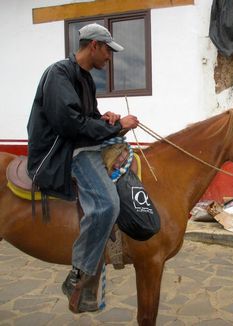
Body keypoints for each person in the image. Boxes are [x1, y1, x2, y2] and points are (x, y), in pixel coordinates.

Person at [27, 23, 139, 313]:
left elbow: (88, 118)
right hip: (64, 151)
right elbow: (71, 125)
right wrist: (110, 125)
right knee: (106, 205)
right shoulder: (58, 75)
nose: (110, 58)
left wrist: (107, 119)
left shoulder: (86, 79)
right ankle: (78, 272)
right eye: (108, 51)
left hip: (80, 142)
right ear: (94, 46)